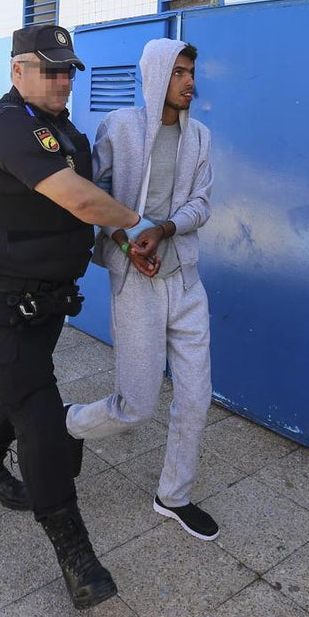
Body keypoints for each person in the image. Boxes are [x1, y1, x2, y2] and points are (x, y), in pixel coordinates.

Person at [0, 24, 154, 611]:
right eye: (51, 69)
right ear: (17, 70)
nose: (64, 79)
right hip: (4, 300)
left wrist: (117, 244)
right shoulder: (5, 125)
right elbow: (82, 200)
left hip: (48, 300)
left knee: (19, 383)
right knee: (39, 413)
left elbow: (76, 212)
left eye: (68, 69)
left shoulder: (64, 130)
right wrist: (138, 227)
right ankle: (76, 555)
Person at [66, 39, 217, 540]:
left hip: (186, 280)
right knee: (136, 406)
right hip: (136, 283)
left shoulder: (201, 138)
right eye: (178, 72)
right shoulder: (121, 127)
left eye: (191, 72)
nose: (189, 82)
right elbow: (94, 195)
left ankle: (173, 495)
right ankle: (72, 423)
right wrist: (125, 240)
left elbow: (202, 203)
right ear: (155, 75)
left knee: (196, 398)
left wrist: (166, 228)